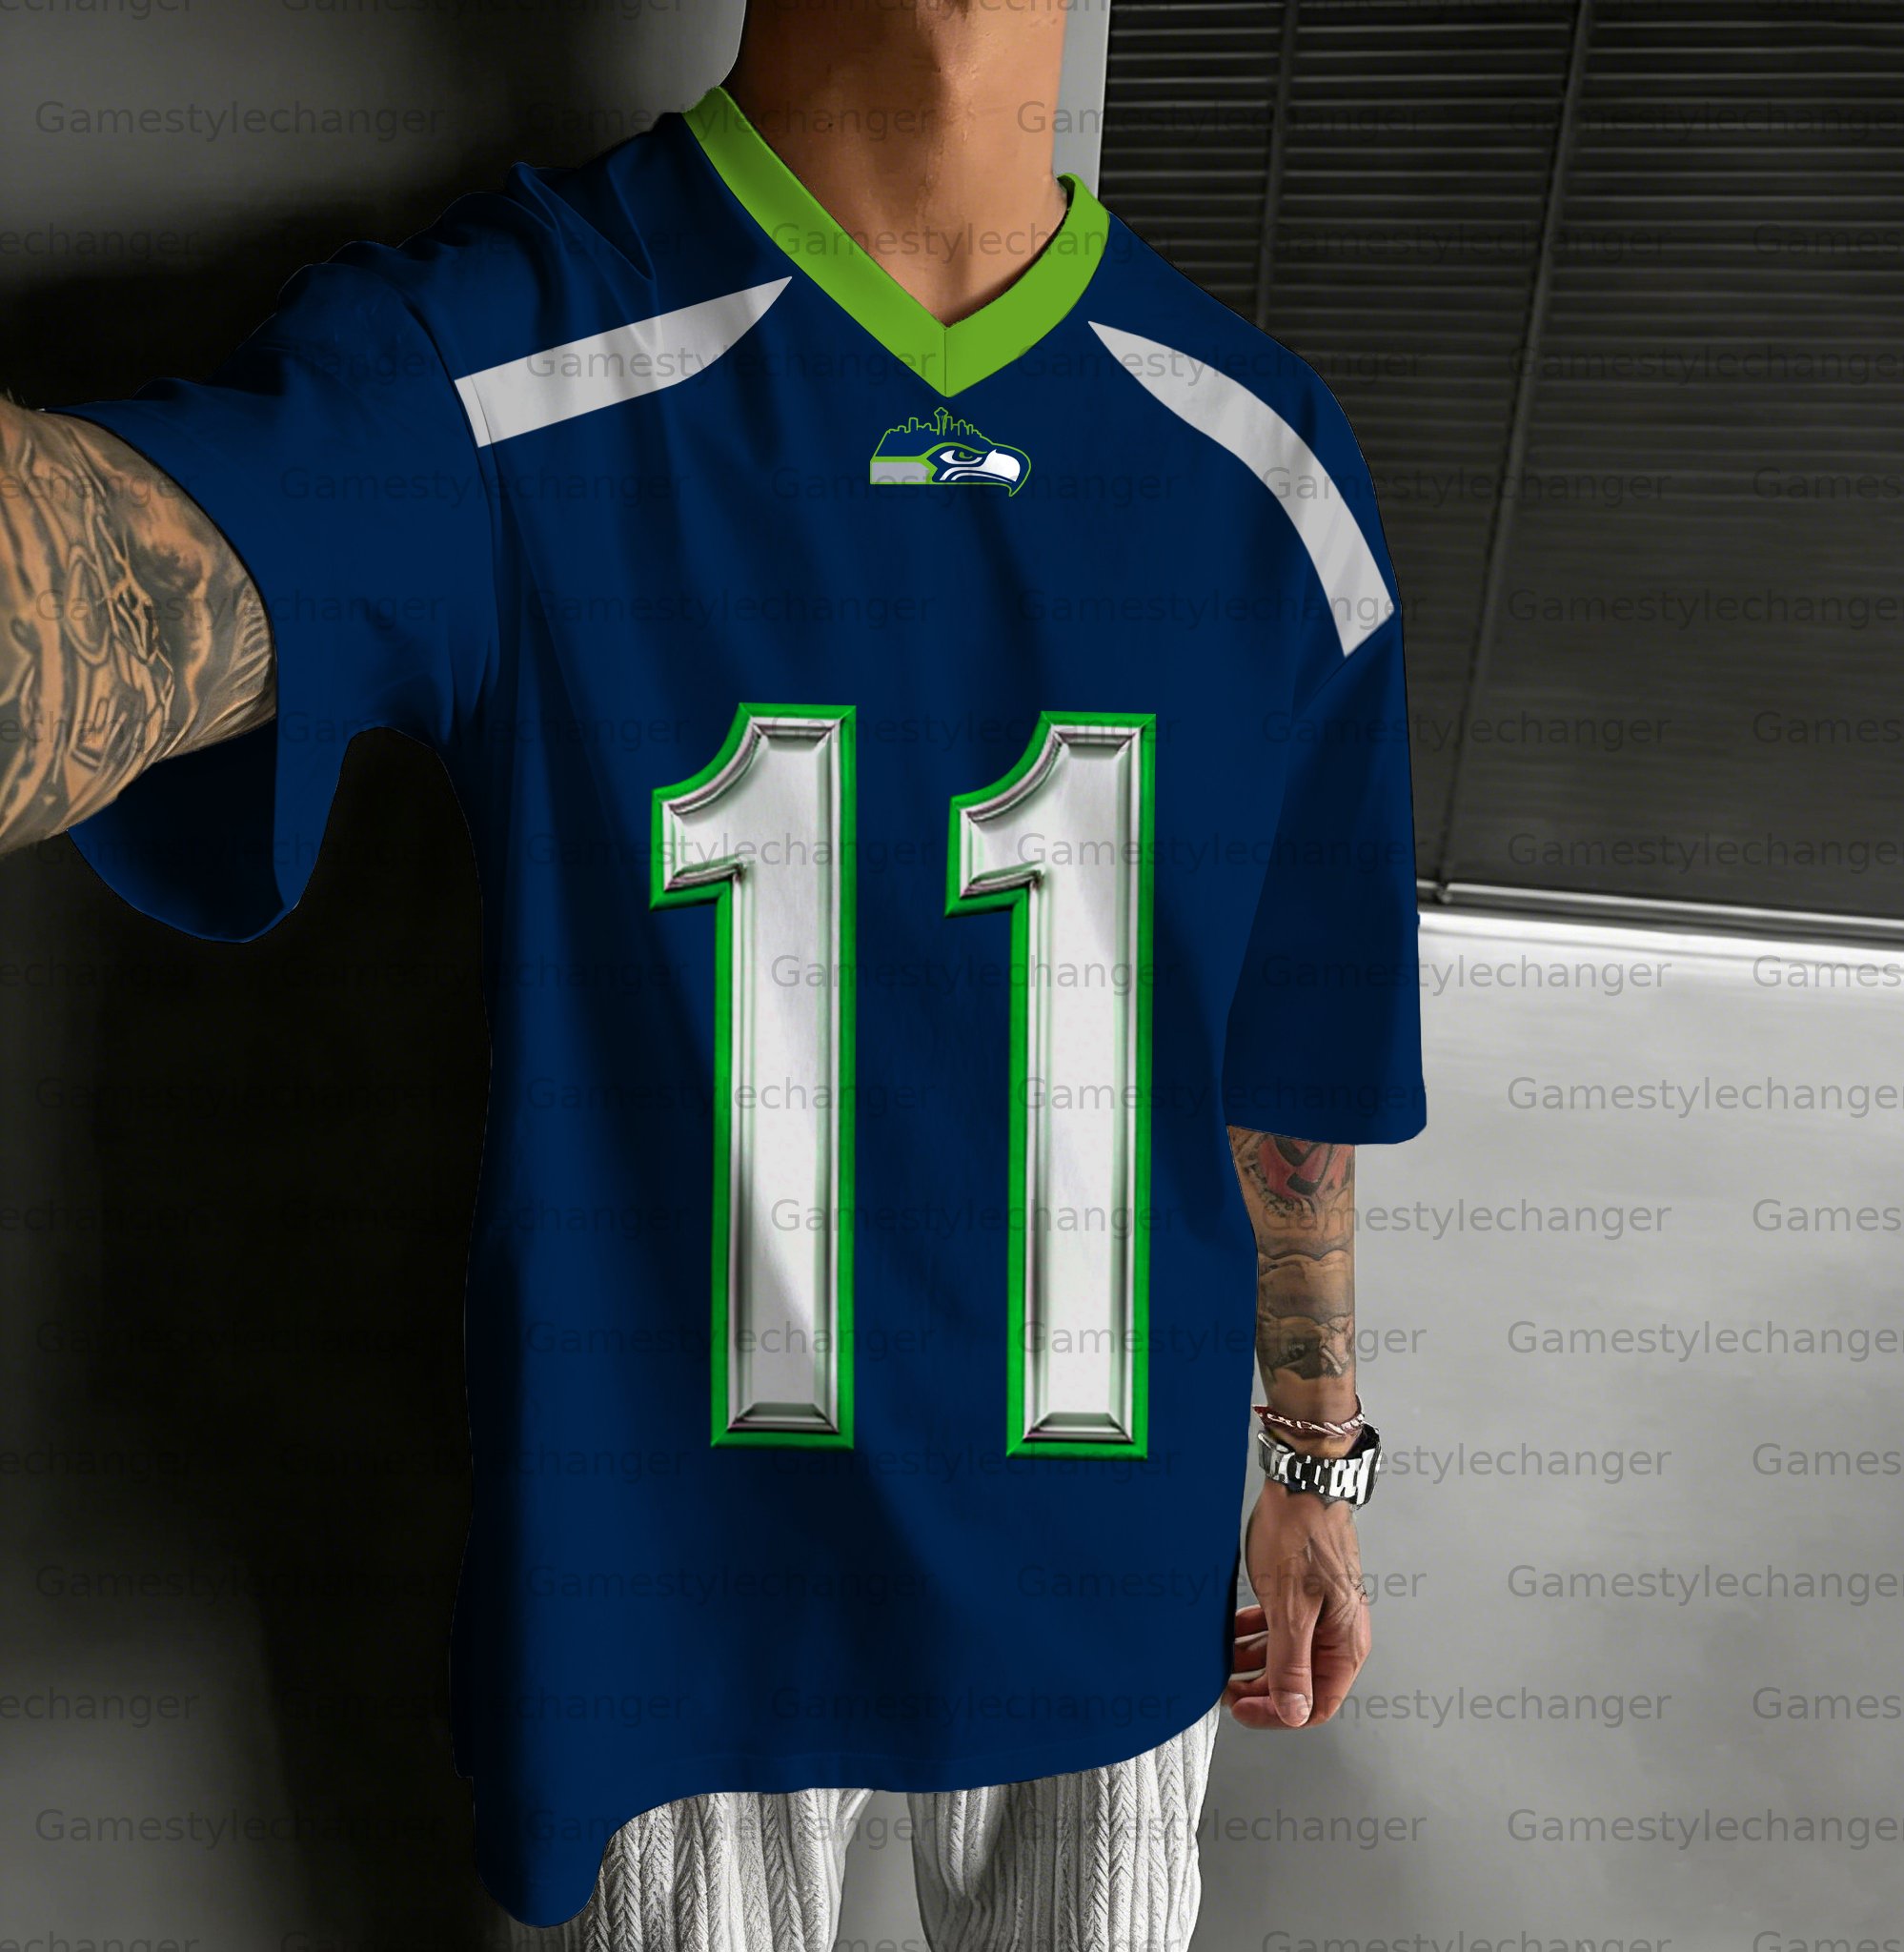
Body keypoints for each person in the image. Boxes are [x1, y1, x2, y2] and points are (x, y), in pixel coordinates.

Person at [0, 0, 1425, 1944]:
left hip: (1108, 1569)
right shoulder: (505, 361)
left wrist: (1316, 1460)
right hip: (687, 1612)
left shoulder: (1271, 469)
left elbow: (1288, 1060)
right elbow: (103, 580)